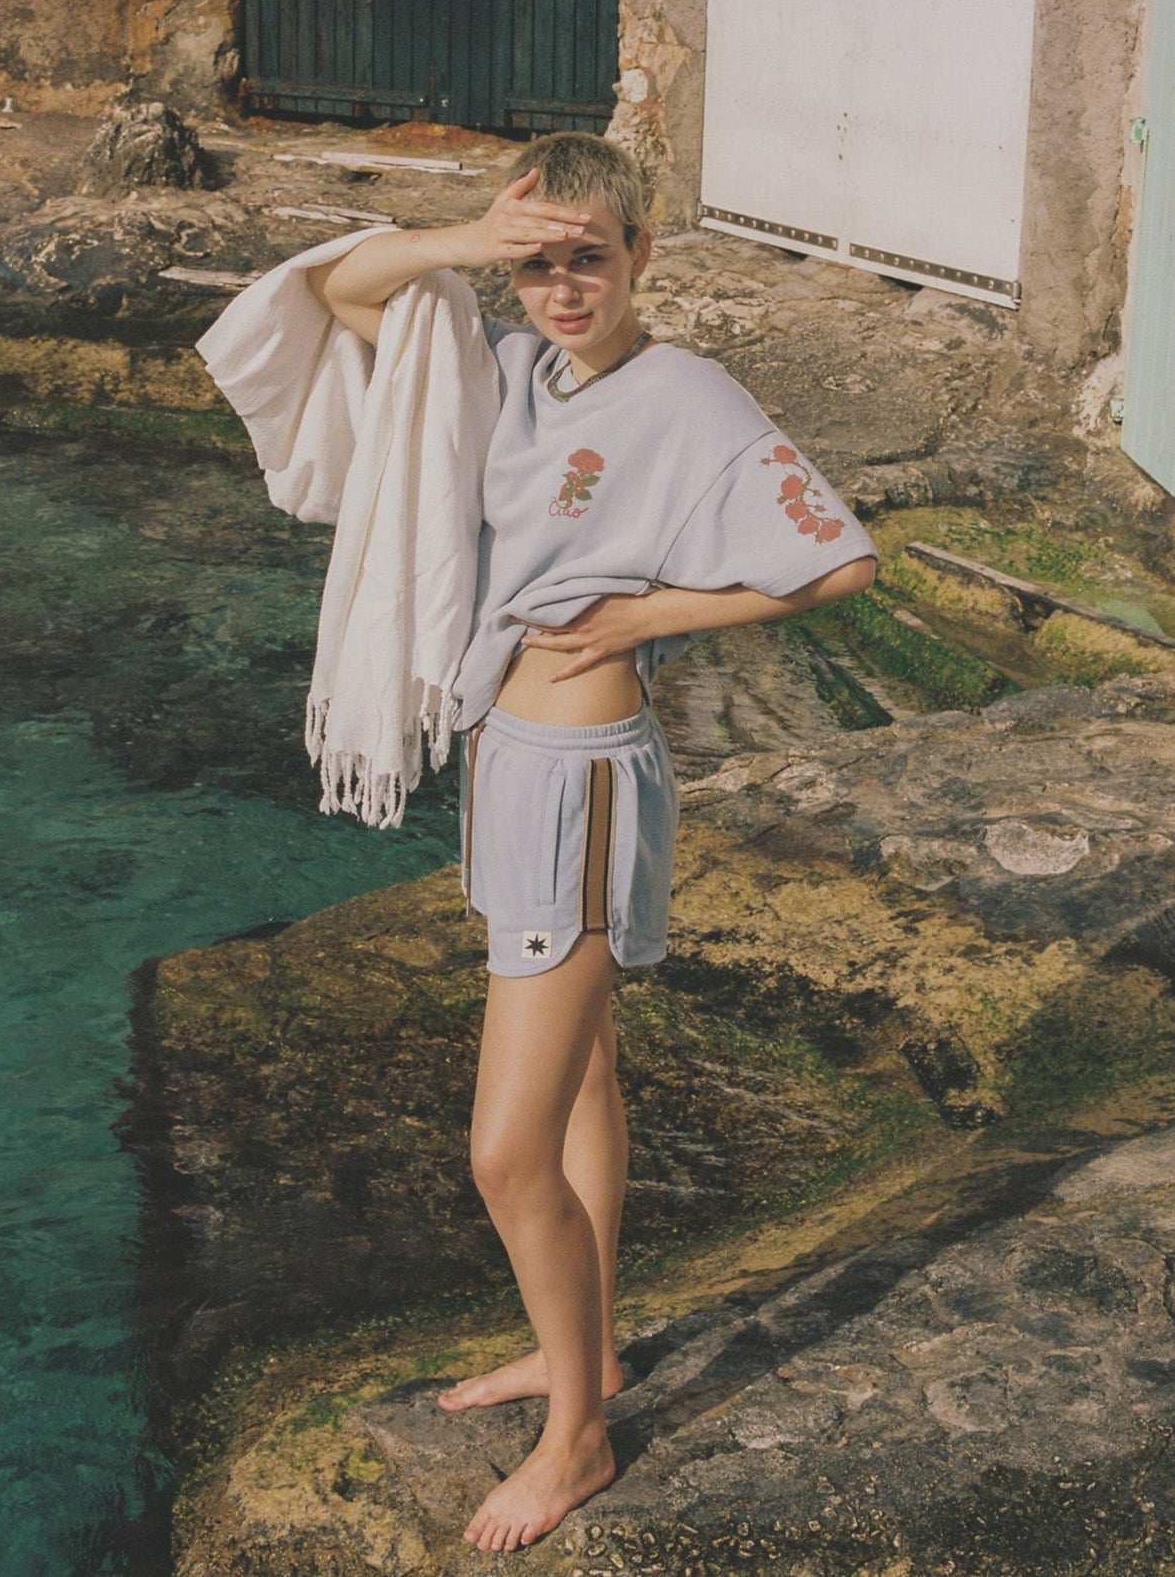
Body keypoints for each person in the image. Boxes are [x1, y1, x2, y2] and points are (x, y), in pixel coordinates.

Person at [307, 133, 877, 1555]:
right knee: (585, 1082)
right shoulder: (512, 371)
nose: (564, 288)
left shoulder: (688, 395)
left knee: (504, 1156)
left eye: (590, 259)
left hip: (583, 779)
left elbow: (840, 560)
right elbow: (340, 293)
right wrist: (470, 241)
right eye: (540, 263)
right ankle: (593, 1355)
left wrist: (650, 613)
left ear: (641, 257)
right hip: (509, 757)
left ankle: (577, 1440)